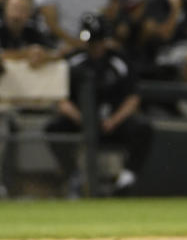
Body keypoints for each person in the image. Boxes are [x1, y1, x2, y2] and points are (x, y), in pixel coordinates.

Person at [46, 13, 154, 197]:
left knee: (143, 129)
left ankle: (125, 180)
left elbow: (133, 98)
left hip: (112, 122)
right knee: (54, 128)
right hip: (82, 121)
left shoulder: (118, 61)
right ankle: (74, 177)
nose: (96, 46)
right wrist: (83, 119)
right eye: (92, 42)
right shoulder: (74, 61)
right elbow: (60, 99)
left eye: (99, 41)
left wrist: (113, 120)